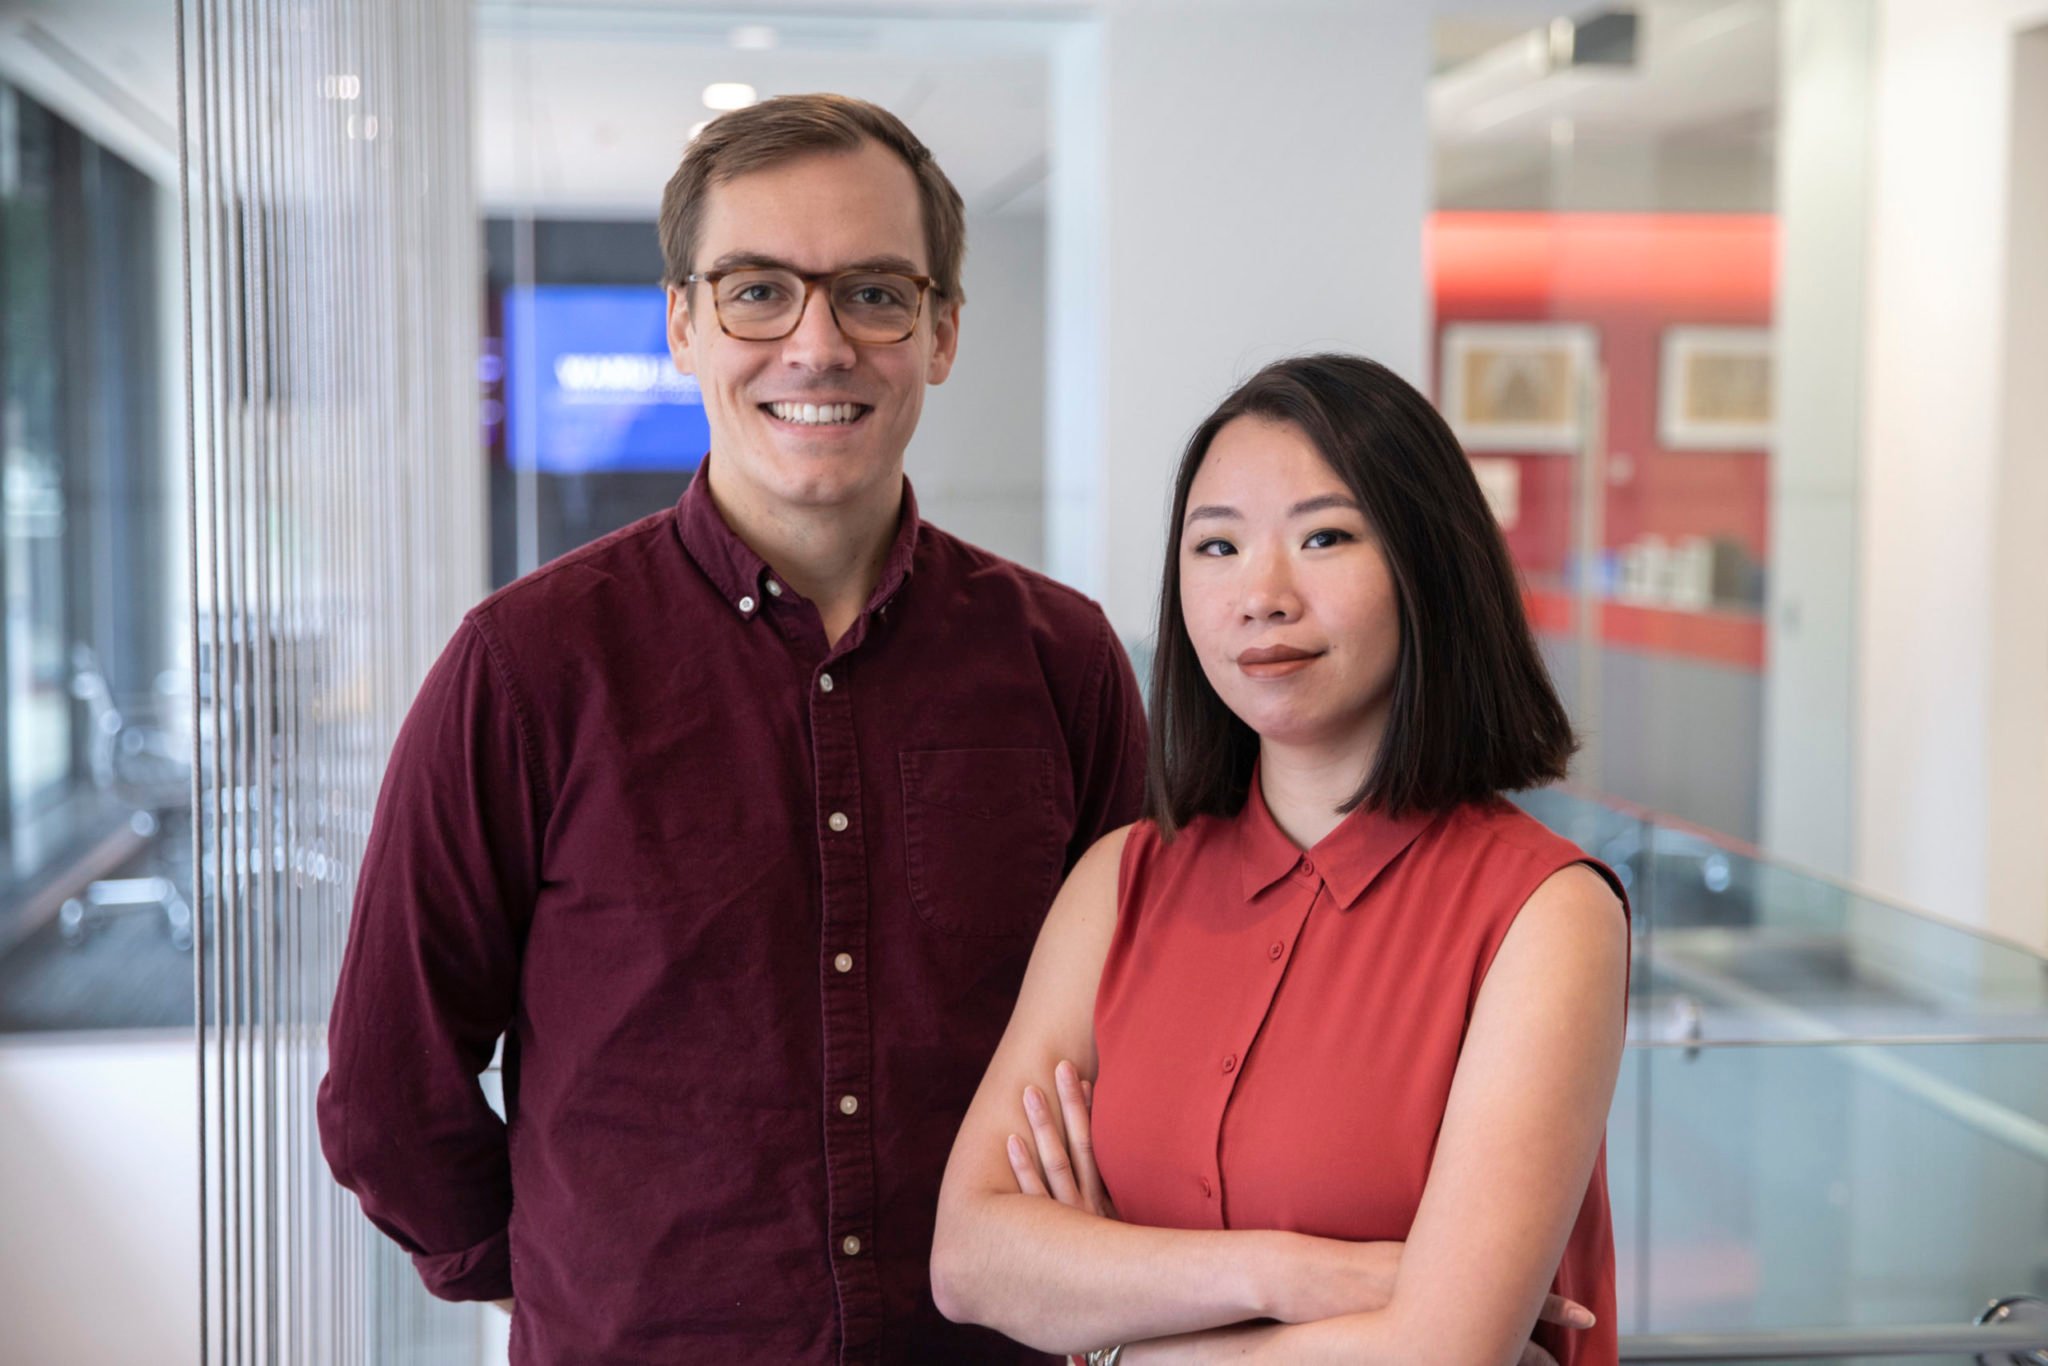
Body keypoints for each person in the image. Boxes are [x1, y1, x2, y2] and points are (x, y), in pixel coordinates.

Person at [316, 94, 1147, 1364]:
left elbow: (1142, 1038)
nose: (816, 345)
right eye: (758, 291)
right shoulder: (526, 668)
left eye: (873, 292)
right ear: (683, 324)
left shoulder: (1062, 661)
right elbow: (388, 1089)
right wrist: (554, 1275)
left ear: (941, 333)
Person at [930, 354, 1630, 1365]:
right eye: (1215, 544)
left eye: (1323, 537)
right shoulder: (1120, 880)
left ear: (1427, 566)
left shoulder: (1542, 912)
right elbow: (969, 1259)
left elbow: (1443, 1353)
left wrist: (1114, 1334)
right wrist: (1296, 1276)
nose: (1259, 594)